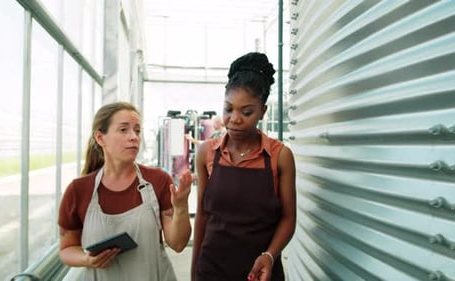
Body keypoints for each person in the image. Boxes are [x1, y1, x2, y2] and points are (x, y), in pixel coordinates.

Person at [58, 101, 193, 281]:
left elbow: (177, 244)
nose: (134, 137)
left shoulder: (158, 181)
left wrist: (182, 208)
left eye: (137, 131)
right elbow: (66, 249)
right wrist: (87, 259)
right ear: (100, 138)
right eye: (123, 130)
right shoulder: (79, 190)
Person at [191, 52, 296, 281]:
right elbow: (202, 216)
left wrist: (270, 255)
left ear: (263, 111)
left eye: (246, 112)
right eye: (228, 109)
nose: (235, 119)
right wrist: (193, 273)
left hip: (260, 273)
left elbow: (288, 218)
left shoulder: (279, 157)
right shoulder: (206, 153)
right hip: (211, 271)